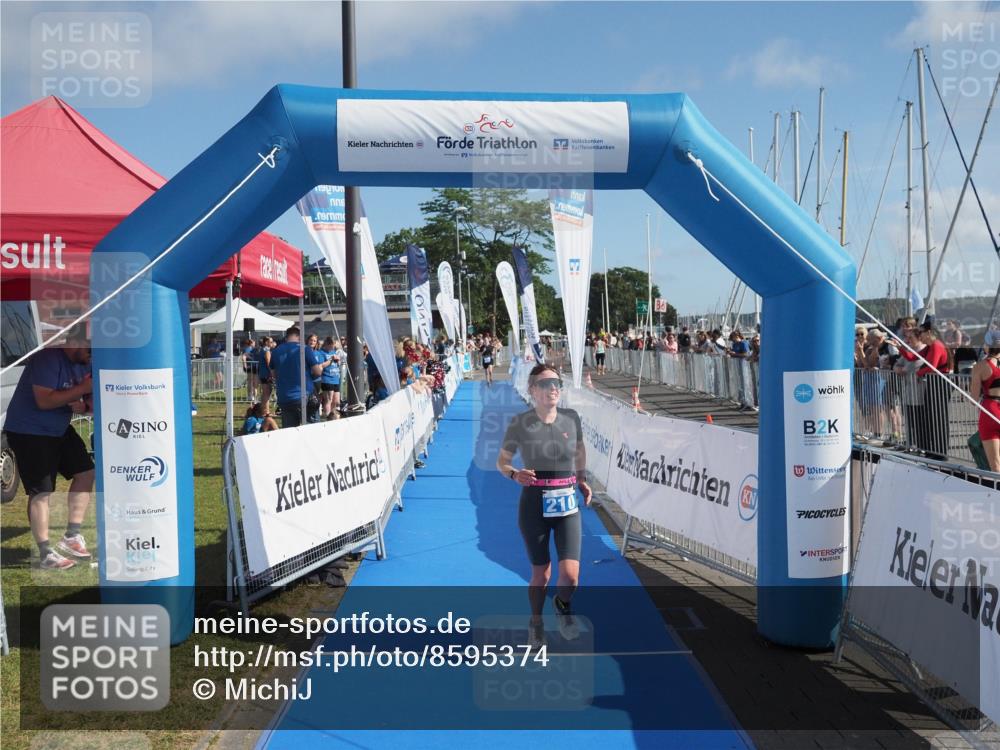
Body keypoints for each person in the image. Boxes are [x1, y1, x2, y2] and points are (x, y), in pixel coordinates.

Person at [495, 364, 593, 647]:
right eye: (546, 383)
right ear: (533, 390)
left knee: (570, 576)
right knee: (542, 573)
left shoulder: (571, 418)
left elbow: (579, 450)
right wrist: (514, 473)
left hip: (567, 503)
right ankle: (536, 622)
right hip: (534, 505)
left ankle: (563, 606)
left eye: (557, 383)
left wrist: (582, 480)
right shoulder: (520, 422)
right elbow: (501, 461)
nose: (553, 388)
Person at [2, 326, 94, 570]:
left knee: (86, 473)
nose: (92, 355)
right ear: (73, 343)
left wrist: (85, 406)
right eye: (88, 348)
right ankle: (45, 554)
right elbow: (44, 401)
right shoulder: (48, 358)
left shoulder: (86, 360)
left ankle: (72, 537)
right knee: (41, 491)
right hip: (29, 430)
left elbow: (88, 400)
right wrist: (81, 390)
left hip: (58, 427)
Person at [270, 326, 325, 428]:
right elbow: (317, 372)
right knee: (312, 429)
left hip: (285, 397)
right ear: (298, 336)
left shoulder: (276, 351)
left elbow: (273, 374)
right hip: (305, 396)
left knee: (290, 431)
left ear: (287, 337)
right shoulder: (304, 349)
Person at [970, 347, 1000, 472]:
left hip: (990, 411)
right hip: (992, 410)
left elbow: (973, 399)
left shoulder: (980, 367)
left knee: (995, 464)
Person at [319, 337, 342, 420]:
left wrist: (338, 361)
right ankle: (328, 417)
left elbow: (337, 364)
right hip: (327, 378)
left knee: (336, 401)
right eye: (332, 346)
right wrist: (331, 360)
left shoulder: (333, 352)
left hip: (335, 378)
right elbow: (321, 365)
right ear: (327, 344)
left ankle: (334, 416)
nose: (333, 348)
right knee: (329, 399)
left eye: (334, 346)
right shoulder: (321, 353)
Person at [256, 337, 274, 406]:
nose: (272, 343)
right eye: (271, 342)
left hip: (262, 374)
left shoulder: (262, 350)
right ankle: (266, 411)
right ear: (266, 342)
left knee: (265, 393)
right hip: (266, 375)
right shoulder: (267, 351)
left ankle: (264, 410)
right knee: (267, 393)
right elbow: (269, 364)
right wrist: (272, 374)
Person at [241, 337, 258, 402]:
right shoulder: (248, 349)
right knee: (251, 381)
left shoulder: (254, 349)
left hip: (254, 366)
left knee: (253, 382)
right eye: (254, 343)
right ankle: (250, 396)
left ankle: (253, 396)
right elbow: (244, 357)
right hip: (250, 366)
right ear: (251, 343)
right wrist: (244, 365)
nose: (255, 344)